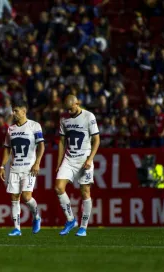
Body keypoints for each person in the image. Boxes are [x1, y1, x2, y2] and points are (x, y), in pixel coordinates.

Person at [55, 95, 100, 237]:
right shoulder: (64, 119)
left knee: (85, 192)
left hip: (84, 160)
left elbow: (97, 140)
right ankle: (70, 220)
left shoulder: (88, 116)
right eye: (67, 109)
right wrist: (59, 162)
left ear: (77, 103)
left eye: (71, 108)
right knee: (58, 187)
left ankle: (83, 227)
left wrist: (90, 159)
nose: (69, 112)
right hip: (69, 159)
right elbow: (62, 142)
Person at [0, 99, 45, 236]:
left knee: (26, 196)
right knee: (14, 197)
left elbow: (41, 146)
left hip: (29, 168)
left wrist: (37, 163)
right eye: (13, 111)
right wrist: (2, 166)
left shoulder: (34, 126)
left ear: (24, 111)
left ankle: (36, 216)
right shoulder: (10, 129)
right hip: (15, 168)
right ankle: (17, 229)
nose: (14, 113)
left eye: (16, 111)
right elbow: (7, 149)